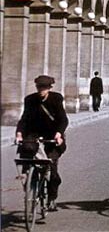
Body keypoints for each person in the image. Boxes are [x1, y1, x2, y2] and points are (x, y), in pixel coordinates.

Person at [15, 75, 68, 211]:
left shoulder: (56, 99)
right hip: (35, 134)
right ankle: (28, 175)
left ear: (49, 88)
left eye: (44, 88)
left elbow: (63, 119)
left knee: (52, 171)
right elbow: (24, 119)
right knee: (26, 149)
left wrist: (59, 134)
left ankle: (51, 199)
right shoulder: (30, 100)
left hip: (53, 136)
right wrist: (19, 134)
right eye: (39, 87)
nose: (41, 90)